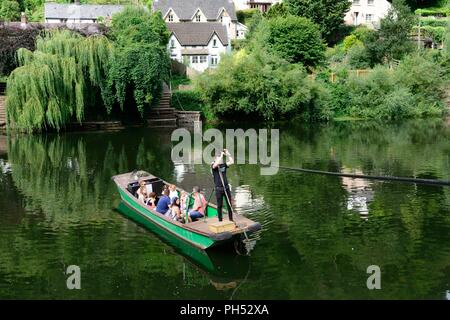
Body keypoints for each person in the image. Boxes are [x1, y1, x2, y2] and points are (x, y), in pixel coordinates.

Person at [211, 149, 234, 222]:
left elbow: (231, 162)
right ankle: (220, 220)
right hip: (219, 189)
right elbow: (215, 165)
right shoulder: (213, 165)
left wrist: (228, 154)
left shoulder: (223, 165)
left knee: (229, 204)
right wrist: (220, 155)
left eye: (221, 158)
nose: (221, 160)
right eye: (218, 158)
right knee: (219, 205)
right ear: (215, 158)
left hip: (226, 188)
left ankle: (231, 219)